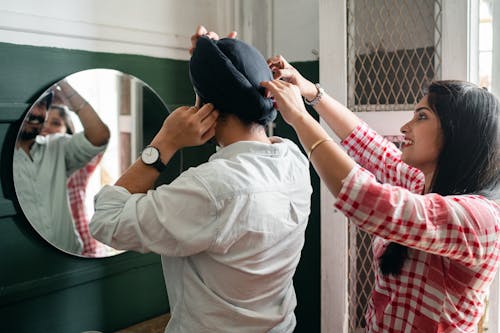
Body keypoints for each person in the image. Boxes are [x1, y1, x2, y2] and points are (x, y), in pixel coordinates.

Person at [90, 32, 312, 332]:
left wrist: (164, 142)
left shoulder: (211, 189)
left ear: (204, 106)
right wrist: (220, 63)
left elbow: (107, 220)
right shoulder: (293, 159)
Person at [260, 55, 500, 331]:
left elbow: (368, 199)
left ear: (458, 134)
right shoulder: (420, 182)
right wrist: (312, 92)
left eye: (422, 116)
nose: (404, 127)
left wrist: (300, 118)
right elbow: (367, 143)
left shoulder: (481, 220)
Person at [14, 81, 110, 255]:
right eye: (31, 105)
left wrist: (65, 88)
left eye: (42, 105)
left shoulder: (57, 146)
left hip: (72, 257)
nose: (36, 112)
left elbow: (100, 136)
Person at [41, 104, 105, 257]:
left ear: (68, 132)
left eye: (56, 123)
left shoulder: (78, 164)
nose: (47, 128)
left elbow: (98, 139)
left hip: (82, 241)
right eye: (44, 123)